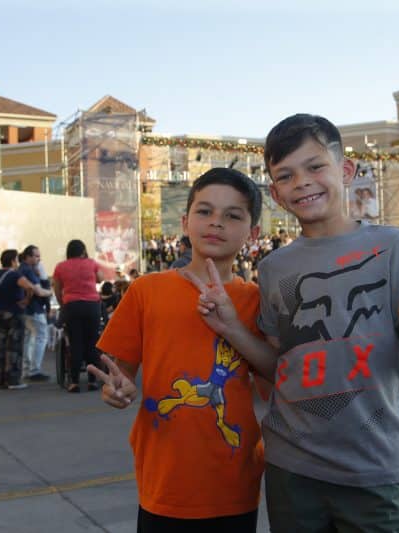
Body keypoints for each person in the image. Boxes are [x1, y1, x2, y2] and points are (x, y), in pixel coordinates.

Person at [183, 115, 399, 531]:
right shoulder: (274, 268)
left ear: (345, 170)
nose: (302, 182)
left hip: (374, 466)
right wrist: (231, 327)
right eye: (285, 175)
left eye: (315, 166)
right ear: (276, 193)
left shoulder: (391, 246)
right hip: (291, 467)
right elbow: (278, 367)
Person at [87, 168, 266, 531]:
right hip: (164, 479)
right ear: (185, 222)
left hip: (234, 480)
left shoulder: (257, 300)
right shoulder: (146, 291)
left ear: (253, 233)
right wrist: (116, 390)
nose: (216, 222)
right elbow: (120, 376)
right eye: (205, 211)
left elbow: (273, 381)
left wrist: (235, 329)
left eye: (233, 215)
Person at [53, 239, 104, 393]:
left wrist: (63, 304)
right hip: (92, 306)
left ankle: (74, 382)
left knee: (76, 343)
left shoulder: (60, 267)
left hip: (72, 306)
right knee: (92, 342)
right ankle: (92, 380)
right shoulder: (91, 263)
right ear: (83, 251)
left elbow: (57, 289)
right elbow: (100, 279)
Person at [0, 249, 36, 390]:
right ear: (13, 261)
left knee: (1, 348)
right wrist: (26, 300)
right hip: (15, 314)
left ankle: (1, 379)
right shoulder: (15, 275)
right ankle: (14, 380)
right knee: (14, 348)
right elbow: (30, 287)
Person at [19, 245, 53, 382]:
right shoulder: (28, 270)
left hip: (25, 310)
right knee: (41, 336)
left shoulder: (22, 269)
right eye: (36, 256)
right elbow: (39, 291)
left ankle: (27, 369)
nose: (39, 259)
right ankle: (34, 369)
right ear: (28, 257)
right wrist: (50, 292)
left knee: (29, 338)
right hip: (35, 309)